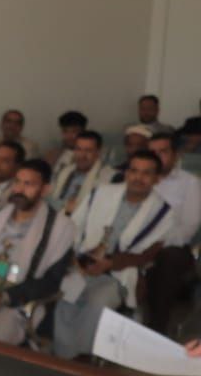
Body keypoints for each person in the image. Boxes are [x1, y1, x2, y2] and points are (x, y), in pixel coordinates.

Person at [53, 151, 177, 359]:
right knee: (67, 298)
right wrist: (76, 258)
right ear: (126, 173)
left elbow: (148, 254)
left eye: (146, 173)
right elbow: (74, 226)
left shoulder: (163, 212)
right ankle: (63, 356)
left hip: (119, 273)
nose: (138, 178)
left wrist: (109, 263)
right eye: (134, 171)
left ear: (157, 178)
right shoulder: (102, 193)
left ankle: (82, 357)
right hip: (82, 263)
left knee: (97, 302)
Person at [0, 160, 75, 345]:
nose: (19, 189)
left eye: (28, 184)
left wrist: (3, 298)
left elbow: (51, 281)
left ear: (45, 190)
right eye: (17, 182)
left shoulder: (60, 229)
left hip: (15, 302)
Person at [142, 132, 201, 333]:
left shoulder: (189, 183)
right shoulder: (139, 179)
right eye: (152, 152)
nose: (157, 157)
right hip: (137, 244)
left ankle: (156, 329)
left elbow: (188, 227)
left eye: (163, 152)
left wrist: (155, 245)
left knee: (167, 260)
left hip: (173, 247)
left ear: (175, 155)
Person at [51, 130, 113, 216]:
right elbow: (52, 199)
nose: (82, 155)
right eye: (78, 149)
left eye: (88, 150)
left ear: (98, 152)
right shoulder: (65, 171)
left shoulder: (108, 177)